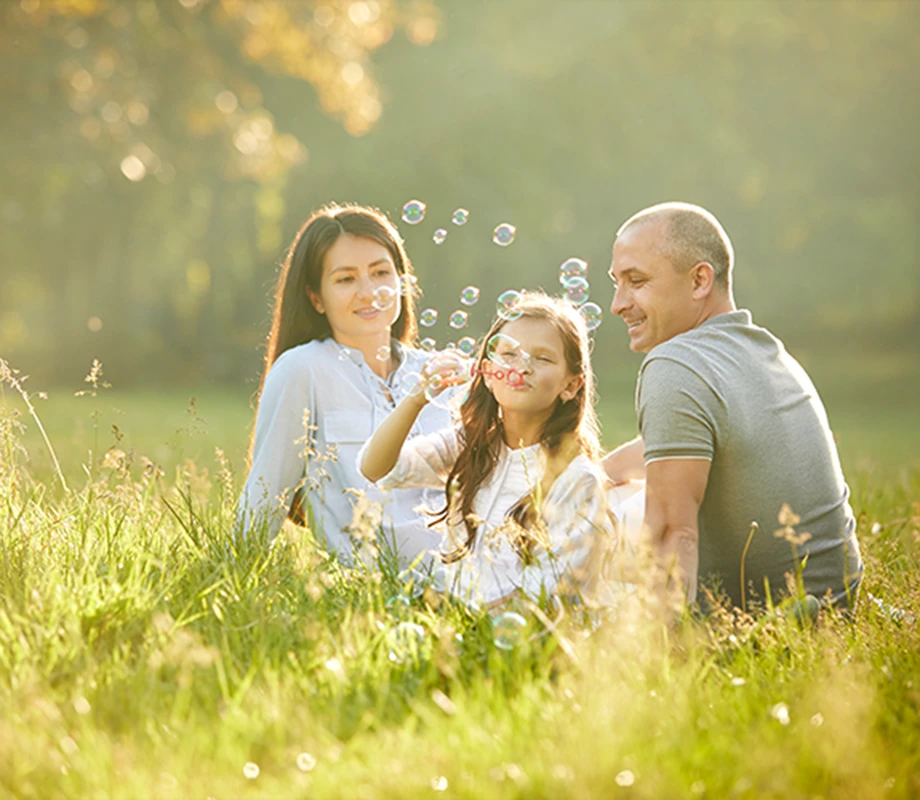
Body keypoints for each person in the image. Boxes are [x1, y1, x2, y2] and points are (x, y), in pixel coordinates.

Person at [603, 201, 863, 612]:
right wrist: (593, 475)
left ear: (700, 280)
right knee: (602, 491)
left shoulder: (674, 365)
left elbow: (673, 532)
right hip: (835, 601)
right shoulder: (764, 353)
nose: (618, 303)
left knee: (594, 522)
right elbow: (689, 441)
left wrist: (657, 655)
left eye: (636, 281)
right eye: (617, 282)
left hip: (759, 620)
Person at [358, 292, 629, 610]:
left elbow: (547, 592)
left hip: (527, 639)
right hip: (462, 623)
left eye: (542, 358)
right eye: (510, 354)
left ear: (571, 386)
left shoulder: (575, 479)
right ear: (487, 373)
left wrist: (466, 619)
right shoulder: (470, 444)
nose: (523, 367)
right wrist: (418, 396)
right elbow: (375, 467)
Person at [237, 203, 451, 566]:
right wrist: (233, 576)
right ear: (316, 297)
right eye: (346, 279)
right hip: (374, 591)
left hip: (468, 580)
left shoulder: (439, 372)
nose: (369, 292)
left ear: (401, 282)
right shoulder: (303, 370)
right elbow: (266, 494)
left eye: (381, 273)